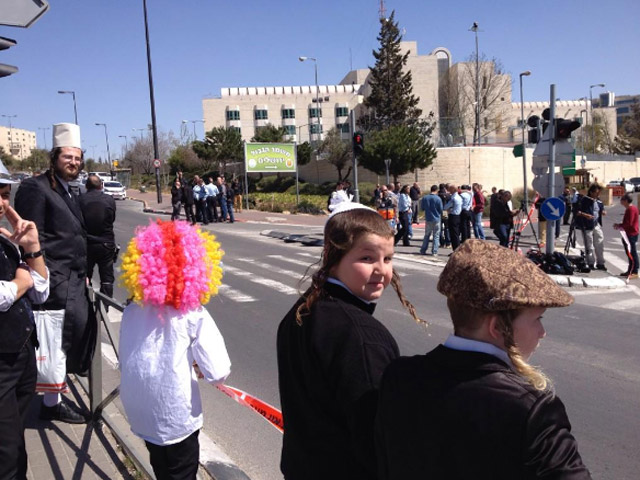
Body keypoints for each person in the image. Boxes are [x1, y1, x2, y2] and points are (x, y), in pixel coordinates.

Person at [376, 240, 592, 480]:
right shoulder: (530, 408)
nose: (543, 332)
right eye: (538, 319)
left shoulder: (399, 376)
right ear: (497, 326)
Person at [277, 203, 421, 480]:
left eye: (388, 259)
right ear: (334, 256)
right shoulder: (360, 337)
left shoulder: (305, 309)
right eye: (367, 258)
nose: (381, 270)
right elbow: (376, 439)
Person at [119, 219, 231, 480]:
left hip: (140, 411)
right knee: (182, 471)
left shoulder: (132, 309)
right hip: (175, 414)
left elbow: (128, 357)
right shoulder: (192, 313)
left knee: (160, 468)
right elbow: (218, 371)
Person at [15, 123, 95, 424]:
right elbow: (30, 237)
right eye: (67, 157)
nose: (73, 163)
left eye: (77, 158)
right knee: (54, 342)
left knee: (67, 340)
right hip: (52, 281)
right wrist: (43, 277)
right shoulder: (35, 188)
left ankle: (53, 397)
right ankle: (50, 402)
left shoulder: (68, 190)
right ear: (54, 157)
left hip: (72, 279)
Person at [0, 179, 49, 480]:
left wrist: (32, 248)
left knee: (15, 441)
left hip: (22, 354)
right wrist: (22, 281)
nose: (0, 204)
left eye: (4, 196)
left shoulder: (7, 240)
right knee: (5, 451)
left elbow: (41, 290)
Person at [78, 174, 117, 299]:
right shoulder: (109, 200)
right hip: (106, 244)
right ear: (101, 185)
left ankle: (85, 303)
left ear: (86, 186)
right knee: (107, 278)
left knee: (84, 275)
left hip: (86, 244)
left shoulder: (79, 200)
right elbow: (112, 219)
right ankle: (105, 307)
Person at [575, 184, 606, 270]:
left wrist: (603, 212)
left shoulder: (598, 201)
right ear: (591, 192)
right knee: (589, 245)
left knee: (599, 244)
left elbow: (601, 209)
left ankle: (601, 263)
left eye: (599, 192)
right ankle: (591, 263)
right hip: (587, 225)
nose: (598, 194)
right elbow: (577, 211)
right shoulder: (584, 200)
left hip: (596, 225)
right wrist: (585, 215)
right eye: (596, 192)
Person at [614, 193, 639, 279]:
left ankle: (635, 271)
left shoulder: (631, 209)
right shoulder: (631, 209)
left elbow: (629, 223)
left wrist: (619, 226)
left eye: (622, 200)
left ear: (626, 201)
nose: (621, 201)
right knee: (630, 253)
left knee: (632, 253)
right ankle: (630, 270)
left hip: (631, 234)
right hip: (629, 233)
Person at [420, 184, 443, 255]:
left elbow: (422, 208)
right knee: (436, 235)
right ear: (436, 190)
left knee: (427, 235)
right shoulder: (438, 198)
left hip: (428, 218)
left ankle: (423, 250)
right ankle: (434, 251)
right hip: (436, 218)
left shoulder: (425, 198)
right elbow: (441, 209)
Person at [443, 184, 462, 250]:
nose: (449, 190)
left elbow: (445, 207)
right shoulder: (459, 197)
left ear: (453, 190)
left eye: (450, 189)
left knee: (453, 234)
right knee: (456, 233)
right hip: (458, 215)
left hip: (453, 216)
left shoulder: (453, 198)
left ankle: (455, 249)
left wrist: (447, 210)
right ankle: (457, 248)